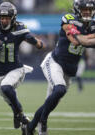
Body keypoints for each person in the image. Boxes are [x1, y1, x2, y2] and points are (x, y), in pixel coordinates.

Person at [21, 0, 95, 135]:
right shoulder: (68, 19)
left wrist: (87, 38)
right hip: (54, 62)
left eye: (90, 10)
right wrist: (89, 38)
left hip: (69, 69)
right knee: (59, 89)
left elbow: (87, 40)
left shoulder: (92, 24)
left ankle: (29, 129)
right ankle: (43, 122)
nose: (87, 12)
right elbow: (76, 40)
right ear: (77, 9)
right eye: (84, 9)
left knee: (50, 103)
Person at [0, 2, 45, 130]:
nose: (4, 20)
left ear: (13, 18)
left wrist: (34, 41)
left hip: (16, 69)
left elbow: (41, 45)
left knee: (6, 87)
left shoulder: (20, 29)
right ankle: (24, 121)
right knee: (10, 99)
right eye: (2, 17)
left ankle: (19, 113)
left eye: (7, 17)